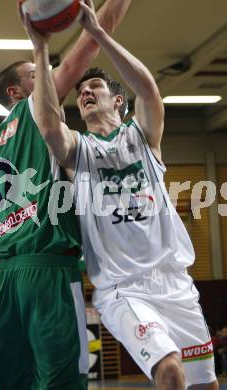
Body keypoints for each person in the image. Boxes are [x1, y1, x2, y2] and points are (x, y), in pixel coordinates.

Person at [28, 0, 219, 388]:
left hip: (176, 282)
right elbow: (47, 124)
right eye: (80, 90)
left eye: (94, 86)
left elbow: (148, 89)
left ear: (118, 100)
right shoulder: (78, 150)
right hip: (123, 289)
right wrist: (41, 46)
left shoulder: (142, 136)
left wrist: (98, 32)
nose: (85, 91)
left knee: (205, 385)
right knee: (168, 370)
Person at [0, 0, 132, 389]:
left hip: (4, 279)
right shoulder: (34, 109)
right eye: (36, 73)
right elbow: (89, 48)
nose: (46, 73)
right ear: (17, 92)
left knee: (16, 380)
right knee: (64, 379)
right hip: (46, 271)